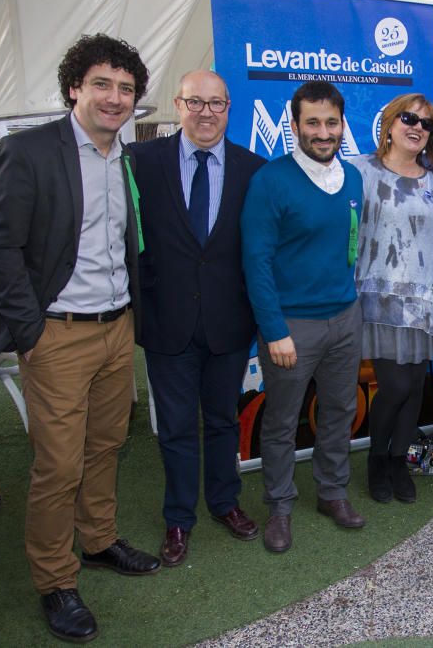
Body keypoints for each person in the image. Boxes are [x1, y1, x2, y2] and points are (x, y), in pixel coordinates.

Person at [0, 34, 160, 643]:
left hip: (116, 329)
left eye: (126, 88)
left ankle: (100, 539)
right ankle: (56, 579)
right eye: (102, 84)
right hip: (56, 334)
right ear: (74, 89)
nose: (115, 98)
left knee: (106, 445)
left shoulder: (126, 158)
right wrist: (29, 331)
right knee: (58, 464)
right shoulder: (29, 152)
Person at [130, 70, 266, 566]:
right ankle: (178, 519)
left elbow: (260, 249)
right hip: (167, 323)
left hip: (229, 323)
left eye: (216, 103)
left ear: (229, 108)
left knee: (223, 421)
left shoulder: (255, 169)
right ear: (178, 105)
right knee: (177, 427)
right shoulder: (142, 161)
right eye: (196, 103)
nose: (206, 112)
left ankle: (225, 503)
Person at [241, 81, 365, 553]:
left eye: (331, 122)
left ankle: (332, 492)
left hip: (344, 319)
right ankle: (279, 507)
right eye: (312, 122)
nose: (323, 131)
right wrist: (274, 330)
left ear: (341, 125)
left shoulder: (352, 178)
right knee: (282, 421)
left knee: (339, 411)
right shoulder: (271, 181)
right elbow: (256, 261)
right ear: (293, 126)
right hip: (292, 327)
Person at [350, 93, 433, 504]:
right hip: (378, 298)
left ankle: (396, 461)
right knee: (395, 386)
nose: (417, 127)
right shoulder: (359, 171)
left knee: (415, 387)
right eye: (409, 118)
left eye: (426, 123)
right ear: (389, 123)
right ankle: (376, 460)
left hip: (423, 300)